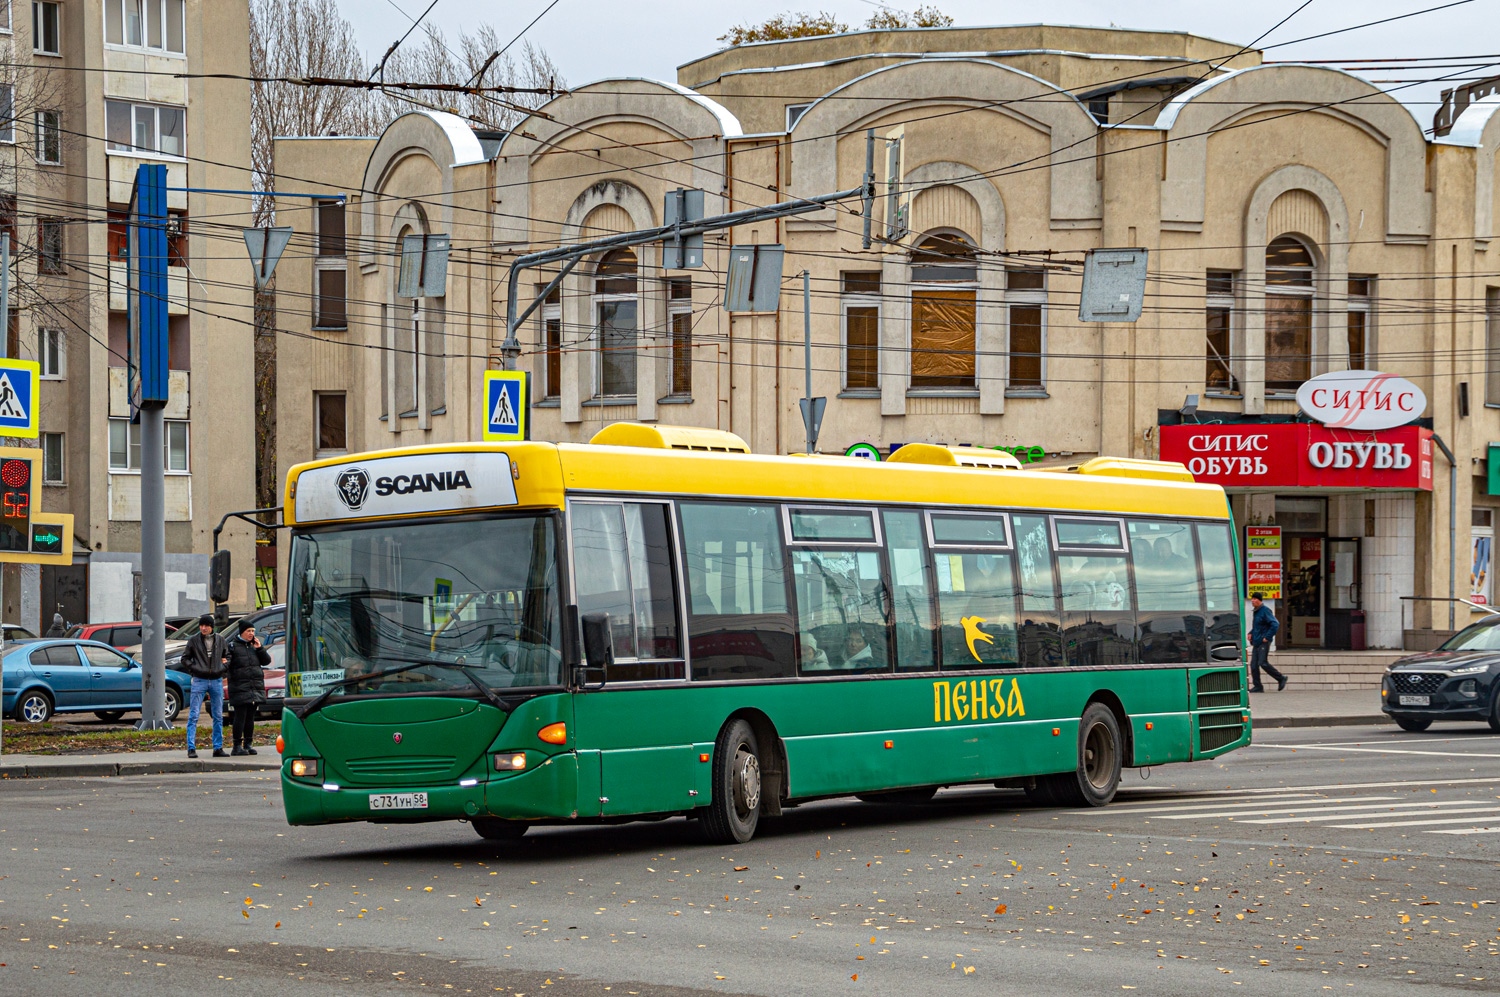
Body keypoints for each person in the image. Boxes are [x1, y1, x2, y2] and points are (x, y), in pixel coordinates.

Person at [182, 614, 229, 758]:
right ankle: (191, 747)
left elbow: (228, 656)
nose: (203, 628)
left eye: (206, 626)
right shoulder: (193, 640)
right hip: (199, 679)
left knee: (218, 715)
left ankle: (218, 747)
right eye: (201, 625)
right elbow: (184, 658)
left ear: (212, 626)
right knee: (194, 715)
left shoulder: (220, 640)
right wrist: (195, 669)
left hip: (216, 679)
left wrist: (223, 667)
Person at [226, 620, 271, 756]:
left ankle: (248, 744)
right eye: (248, 631)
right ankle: (236, 746)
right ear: (242, 632)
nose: (251, 633)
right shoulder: (233, 646)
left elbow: (266, 661)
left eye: (253, 631)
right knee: (240, 716)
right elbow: (226, 664)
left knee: (250, 717)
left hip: (254, 687)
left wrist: (260, 648)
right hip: (240, 687)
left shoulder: (254, 646)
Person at [1247, 594, 1287, 693]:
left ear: (1259, 600)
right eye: (1252, 599)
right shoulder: (1256, 612)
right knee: (1253, 665)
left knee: (1262, 662)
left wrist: (1267, 637)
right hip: (1257, 641)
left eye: (1254, 599)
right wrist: (1251, 633)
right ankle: (1258, 686)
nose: (1252, 601)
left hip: (1263, 641)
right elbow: (1258, 626)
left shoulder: (1265, 611)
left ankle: (1281, 678)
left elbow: (1275, 624)